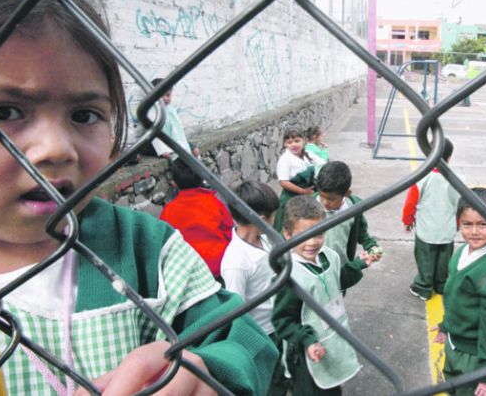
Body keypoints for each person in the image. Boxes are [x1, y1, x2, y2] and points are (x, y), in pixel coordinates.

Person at [0, 0, 277, 396]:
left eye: (85, 115)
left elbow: (247, 342)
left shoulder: (146, 248)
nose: (56, 149)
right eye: (7, 112)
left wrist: (206, 373)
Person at [272, 195, 373, 395]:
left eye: (318, 234)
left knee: (332, 389)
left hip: (333, 339)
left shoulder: (330, 256)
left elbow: (338, 280)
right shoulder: (289, 276)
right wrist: (307, 341)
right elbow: (282, 321)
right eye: (303, 236)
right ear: (287, 235)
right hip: (305, 352)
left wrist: (360, 264)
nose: (312, 242)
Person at [430, 188, 486, 396]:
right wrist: (445, 326)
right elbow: (454, 297)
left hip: (474, 356)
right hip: (454, 344)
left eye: (483, 224)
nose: (474, 231)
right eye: (467, 224)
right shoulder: (462, 252)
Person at [219, 181, 288, 396]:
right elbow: (236, 310)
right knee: (268, 385)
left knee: (281, 378)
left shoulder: (265, 239)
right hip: (261, 333)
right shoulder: (236, 262)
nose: (275, 220)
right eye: (272, 215)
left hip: (278, 323)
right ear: (259, 217)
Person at [402, 138, 462, 301]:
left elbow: (411, 203)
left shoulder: (421, 177)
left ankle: (423, 287)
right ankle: (441, 285)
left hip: (426, 229)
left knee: (425, 259)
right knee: (444, 260)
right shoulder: (457, 179)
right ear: (449, 157)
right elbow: (460, 205)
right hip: (447, 228)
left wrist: (407, 221)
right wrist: (458, 224)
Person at [159, 158, 234, 283]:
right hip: (218, 267)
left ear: (174, 183)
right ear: (202, 179)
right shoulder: (214, 203)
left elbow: (165, 241)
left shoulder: (169, 210)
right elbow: (229, 231)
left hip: (188, 272)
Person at [315, 160, 383, 271]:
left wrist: (372, 247)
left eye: (331, 199)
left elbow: (361, 233)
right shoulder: (309, 206)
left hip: (340, 269)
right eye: (322, 196)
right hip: (314, 269)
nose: (325, 202)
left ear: (347, 194)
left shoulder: (354, 209)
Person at [273, 126, 326, 232]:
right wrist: (303, 191)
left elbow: (322, 164)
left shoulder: (308, 155)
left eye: (297, 141)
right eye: (289, 142)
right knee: (290, 223)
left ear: (304, 141)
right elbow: (283, 182)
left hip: (309, 193)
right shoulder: (285, 159)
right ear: (285, 144)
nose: (293, 145)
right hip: (291, 196)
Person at [149, 77, 200, 160]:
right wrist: (162, 151)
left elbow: (178, 130)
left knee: (195, 151)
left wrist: (185, 144)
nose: (165, 98)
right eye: (161, 96)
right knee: (178, 157)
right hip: (161, 143)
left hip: (176, 140)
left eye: (168, 95)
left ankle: (199, 166)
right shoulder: (152, 112)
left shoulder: (170, 109)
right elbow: (155, 136)